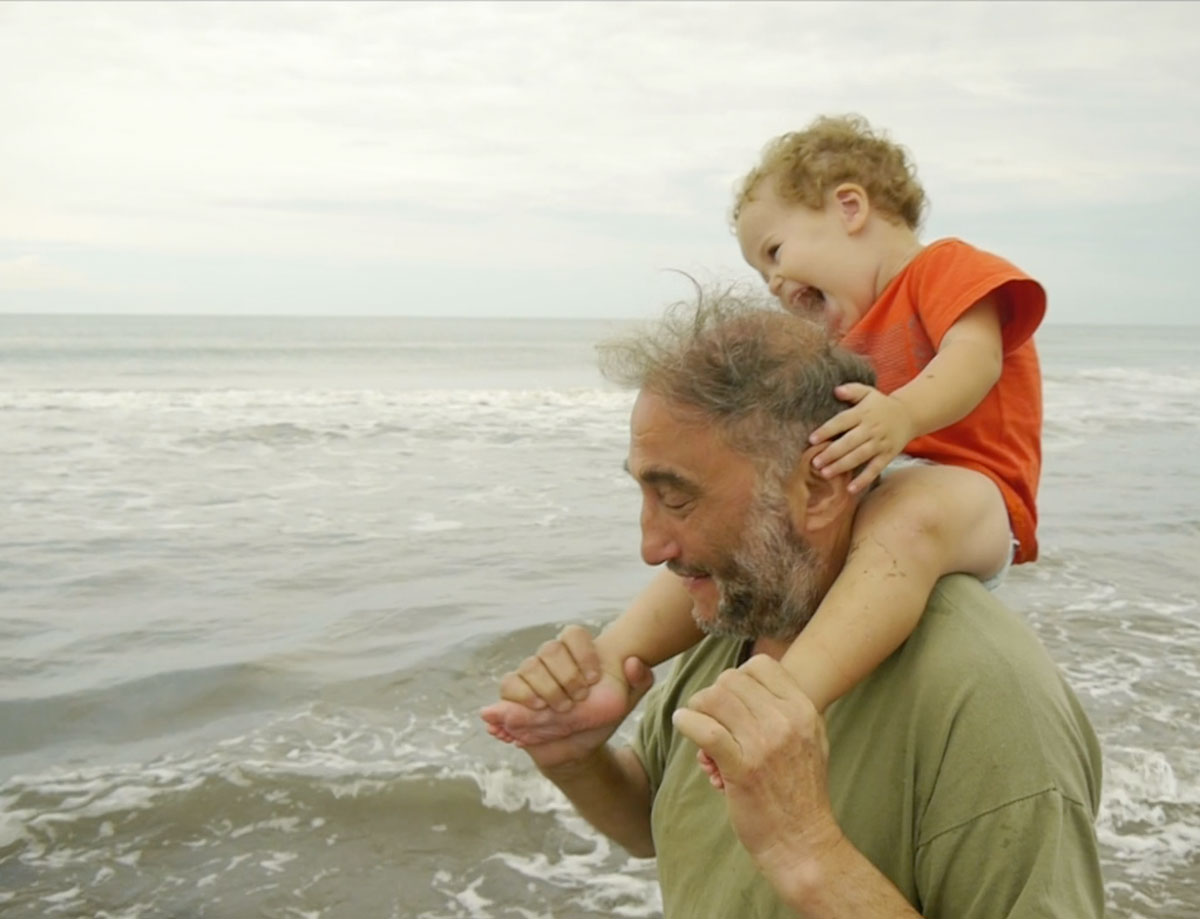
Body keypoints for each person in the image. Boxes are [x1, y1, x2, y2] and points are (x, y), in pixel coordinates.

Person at [492, 292, 1104, 917]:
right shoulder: (737, 618)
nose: (650, 547)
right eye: (643, 494)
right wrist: (576, 760)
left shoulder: (987, 694)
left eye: (676, 501)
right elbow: (657, 826)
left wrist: (805, 849)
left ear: (816, 489)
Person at [481, 116, 1047, 786]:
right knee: (748, 533)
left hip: (977, 492)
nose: (774, 284)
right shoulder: (847, 331)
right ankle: (611, 661)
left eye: (775, 252)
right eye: (760, 272)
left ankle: (785, 701)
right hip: (882, 475)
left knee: (908, 516)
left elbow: (975, 359)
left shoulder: (944, 267)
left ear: (850, 207)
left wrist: (902, 414)